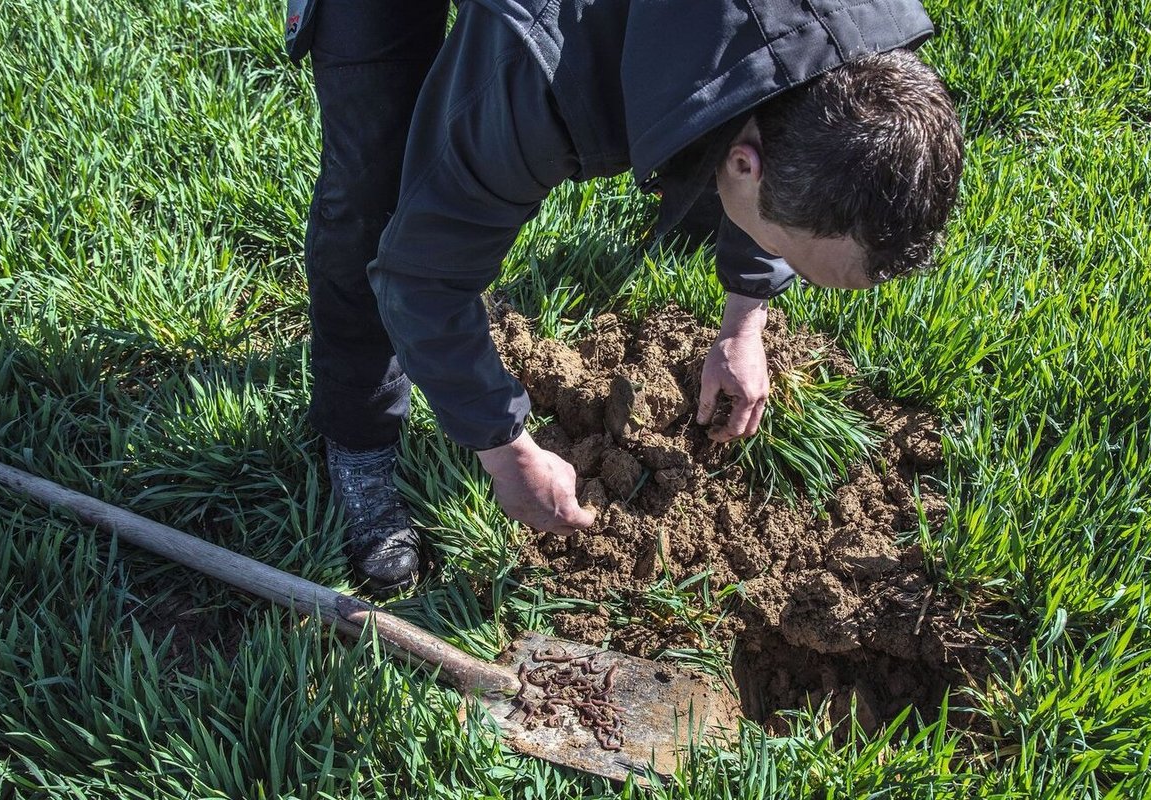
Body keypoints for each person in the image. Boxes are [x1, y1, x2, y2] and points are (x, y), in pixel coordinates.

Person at [285, 0, 964, 590]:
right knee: (375, 194)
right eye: (789, 256)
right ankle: (359, 436)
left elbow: (779, 106)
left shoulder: (863, 46)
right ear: (743, 164)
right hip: (544, 29)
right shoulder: (546, 64)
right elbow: (420, 274)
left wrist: (744, 318)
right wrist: (504, 447)